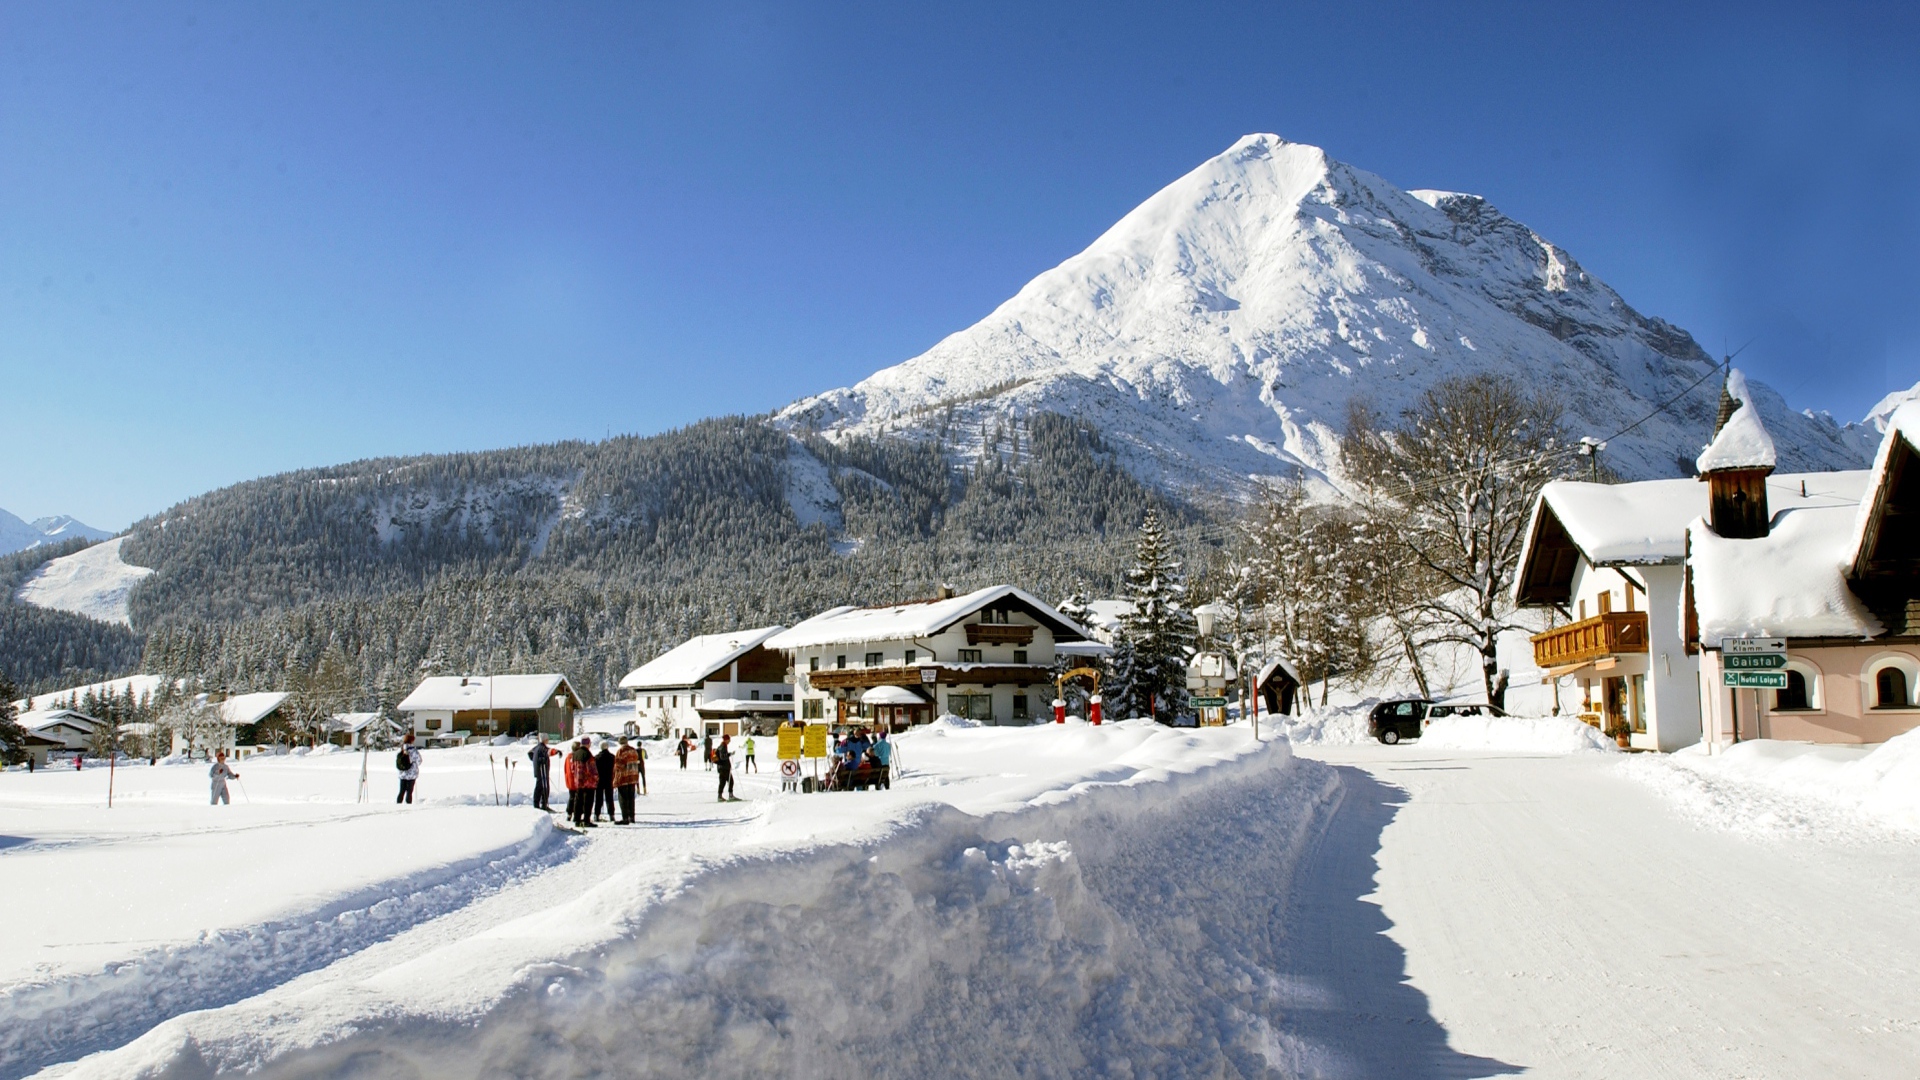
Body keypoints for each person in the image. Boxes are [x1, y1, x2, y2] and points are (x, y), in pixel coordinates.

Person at [564, 738, 596, 827]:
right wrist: (595, 779)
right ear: (588, 744)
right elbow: (592, 769)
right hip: (588, 782)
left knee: (578, 800)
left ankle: (577, 819)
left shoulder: (575, 754)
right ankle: (586, 820)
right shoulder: (588, 754)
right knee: (588, 801)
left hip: (578, 781)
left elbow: (572, 769)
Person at [528, 734, 560, 812]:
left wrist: (534, 760)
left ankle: (537, 804)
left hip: (538, 771)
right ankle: (543, 804)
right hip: (542, 771)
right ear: (545, 739)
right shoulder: (542, 748)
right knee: (545, 788)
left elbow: (529, 753)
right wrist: (557, 751)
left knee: (539, 787)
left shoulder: (536, 747)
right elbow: (549, 751)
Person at [613, 737, 641, 824]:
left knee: (623, 798)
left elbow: (618, 766)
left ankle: (625, 818)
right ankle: (632, 817)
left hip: (624, 777)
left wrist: (615, 779)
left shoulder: (621, 751)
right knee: (631, 798)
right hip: (633, 777)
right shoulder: (633, 750)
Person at [593, 740, 617, 822]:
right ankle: (611, 815)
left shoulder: (596, 758)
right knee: (609, 798)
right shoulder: (612, 757)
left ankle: (596, 814)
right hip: (609, 780)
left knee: (598, 798)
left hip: (599, 780)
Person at [396, 734, 421, 804]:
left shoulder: (401, 749)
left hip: (402, 773)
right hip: (411, 774)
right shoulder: (413, 751)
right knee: (409, 792)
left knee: (401, 791)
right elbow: (419, 761)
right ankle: (408, 805)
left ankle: (398, 804)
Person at [714, 733, 736, 802]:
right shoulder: (723, 746)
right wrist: (730, 754)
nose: (730, 741)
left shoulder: (721, 746)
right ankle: (730, 795)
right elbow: (722, 757)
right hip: (724, 767)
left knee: (722, 782)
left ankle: (719, 796)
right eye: (729, 739)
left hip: (721, 767)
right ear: (726, 740)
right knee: (731, 781)